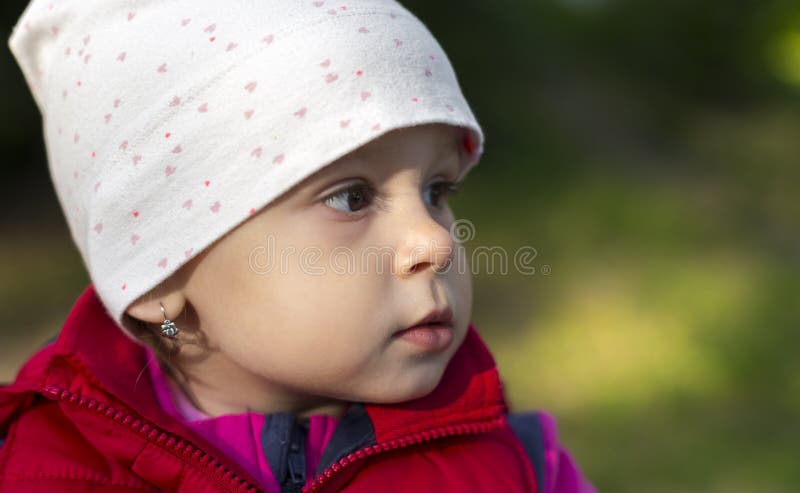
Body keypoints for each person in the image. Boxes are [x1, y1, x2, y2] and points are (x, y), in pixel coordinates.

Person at [0, 1, 597, 491]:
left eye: (437, 190)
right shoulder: (47, 471)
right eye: (351, 198)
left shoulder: (516, 464)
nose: (435, 241)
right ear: (159, 281)